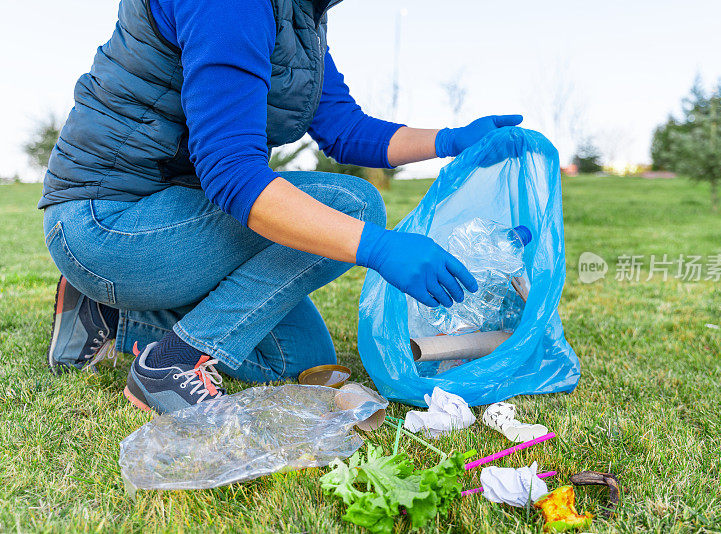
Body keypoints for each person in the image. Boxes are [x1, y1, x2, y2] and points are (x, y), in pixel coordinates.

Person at [40, 0, 523, 414]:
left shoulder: (297, 15)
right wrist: (377, 247)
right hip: (110, 219)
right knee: (355, 205)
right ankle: (173, 362)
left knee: (295, 355)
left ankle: (105, 313)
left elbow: (344, 128)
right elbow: (231, 174)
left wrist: (452, 140)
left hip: (174, 217)